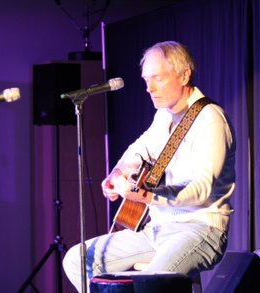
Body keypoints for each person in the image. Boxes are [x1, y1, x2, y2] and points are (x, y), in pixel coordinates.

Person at [63, 41, 236, 291]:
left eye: (158, 78)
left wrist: (150, 195)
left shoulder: (210, 120)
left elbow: (202, 189)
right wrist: (117, 174)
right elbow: (139, 149)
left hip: (200, 229)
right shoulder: (165, 115)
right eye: (146, 80)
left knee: (151, 285)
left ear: (184, 75)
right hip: (156, 229)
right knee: (77, 260)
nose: (149, 88)